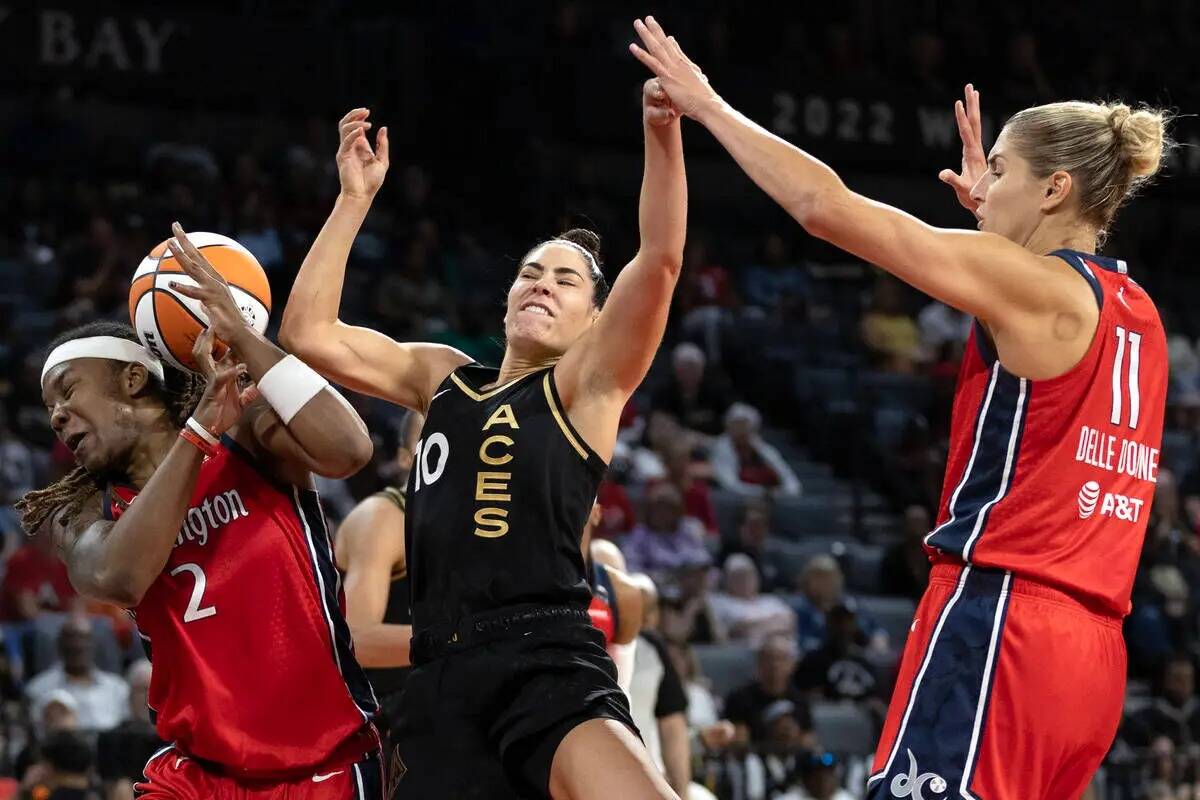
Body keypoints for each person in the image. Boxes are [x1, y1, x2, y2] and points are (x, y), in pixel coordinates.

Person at [632, 17, 1169, 798]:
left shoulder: (1033, 286)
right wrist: (994, 227)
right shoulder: (1142, 316)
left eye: (1004, 171)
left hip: (1003, 622)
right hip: (1091, 662)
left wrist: (709, 105)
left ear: (1055, 188)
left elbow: (825, 207)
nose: (985, 187)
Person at [278, 80, 687, 799]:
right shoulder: (443, 376)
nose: (542, 284)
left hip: (547, 658)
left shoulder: (585, 387)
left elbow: (658, 259)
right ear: (505, 298)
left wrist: (661, 134)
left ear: (595, 322)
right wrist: (353, 201)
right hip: (439, 680)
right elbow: (308, 335)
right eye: (531, 272)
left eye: (566, 281)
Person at [15, 225, 383, 796]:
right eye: (49, 409)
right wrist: (195, 434)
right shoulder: (82, 510)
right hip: (197, 774)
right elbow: (119, 576)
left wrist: (241, 334)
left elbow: (351, 450)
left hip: (326, 763)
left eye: (67, 390)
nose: (57, 416)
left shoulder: (247, 434)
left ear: (134, 379)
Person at [335, 410, 422, 785]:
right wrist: (466, 639)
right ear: (406, 458)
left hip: (450, 701)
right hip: (382, 718)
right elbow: (358, 639)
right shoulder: (384, 518)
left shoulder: (484, 520)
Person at [24, 615, 128, 732]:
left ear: (94, 644)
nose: (78, 645)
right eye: (71, 638)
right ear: (59, 644)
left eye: (84, 638)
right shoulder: (38, 689)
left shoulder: (117, 687)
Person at [723, 634, 814, 747]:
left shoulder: (800, 700)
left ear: (792, 665)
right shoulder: (739, 699)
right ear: (758, 662)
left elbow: (808, 738)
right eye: (769, 658)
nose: (775, 665)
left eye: (781, 659)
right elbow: (733, 741)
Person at [710, 404, 801, 498]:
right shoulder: (721, 448)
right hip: (735, 501)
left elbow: (793, 484)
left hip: (766, 500)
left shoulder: (764, 449)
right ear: (728, 427)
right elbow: (729, 485)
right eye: (736, 425)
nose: (740, 430)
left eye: (744, 425)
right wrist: (763, 492)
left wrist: (780, 493)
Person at [707, 554, 795, 647]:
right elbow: (738, 630)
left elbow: (790, 621)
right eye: (738, 576)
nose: (745, 580)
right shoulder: (719, 602)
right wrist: (773, 623)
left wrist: (755, 627)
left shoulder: (770, 600)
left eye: (749, 575)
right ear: (727, 580)